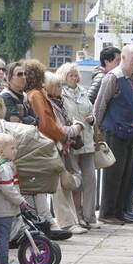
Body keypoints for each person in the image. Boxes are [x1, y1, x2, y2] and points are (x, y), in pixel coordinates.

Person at [24, 62, 81, 233]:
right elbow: (46, 123)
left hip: (52, 142)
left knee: (61, 183)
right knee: (56, 184)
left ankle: (68, 220)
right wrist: (64, 136)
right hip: (50, 143)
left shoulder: (38, 95)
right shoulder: (36, 95)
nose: (60, 87)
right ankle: (65, 221)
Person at [94, 45, 133, 225]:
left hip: (130, 133)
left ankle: (121, 210)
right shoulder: (113, 78)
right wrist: (97, 130)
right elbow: (100, 105)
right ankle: (107, 213)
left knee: (127, 172)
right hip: (115, 132)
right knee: (113, 174)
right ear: (123, 58)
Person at [58, 62, 98, 229]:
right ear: (64, 77)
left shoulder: (82, 90)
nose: (74, 78)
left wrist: (92, 119)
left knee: (90, 179)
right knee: (76, 180)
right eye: (70, 75)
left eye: (75, 75)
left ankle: (90, 216)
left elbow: (91, 110)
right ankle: (77, 216)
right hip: (73, 141)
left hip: (87, 140)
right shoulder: (61, 93)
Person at [0, 133, 24, 264]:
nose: (15, 151)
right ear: (1, 151)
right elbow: (8, 189)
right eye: (12, 148)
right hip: (4, 209)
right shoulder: (5, 168)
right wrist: (20, 201)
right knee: (3, 238)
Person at [1, 61, 38, 125]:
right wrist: (29, 119)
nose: (24, 77)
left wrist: (26, 119)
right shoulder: (6, 96)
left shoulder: (24, 95)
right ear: (8, 78)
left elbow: (35, 118)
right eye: (20, 74)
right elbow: (14, 120)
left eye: (25, 74)